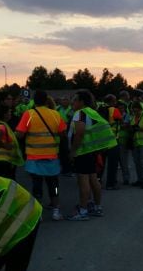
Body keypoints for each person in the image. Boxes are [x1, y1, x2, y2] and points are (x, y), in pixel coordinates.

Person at [14, 90, 66, 222]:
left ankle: (38, 214)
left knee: (37, 184)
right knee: (53, 184)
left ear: (34, 100)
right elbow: (62, 134)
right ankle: (56, 211)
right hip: (52, 157)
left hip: (34, 157)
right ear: (46, 100)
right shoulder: (55, 114)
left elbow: (20, 134)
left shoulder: (29, 114)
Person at [67, 90, 117, 220]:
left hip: (82, 151)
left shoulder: (80, 113)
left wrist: (72, 151)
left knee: (83, 182)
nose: (73, 102)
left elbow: (79, 133)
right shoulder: (92, 112)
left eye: (75, 100)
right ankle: (97, 207)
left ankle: (82, 211)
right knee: (94, 180)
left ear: (81, 102)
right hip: (91, 151)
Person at [0, 105, 24, 180]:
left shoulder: (3, 125)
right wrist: (6, 146)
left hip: (4, 160)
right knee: (8, 182)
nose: (10, 114)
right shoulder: (1, 126)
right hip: (3, 160)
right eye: (9, 112)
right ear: (4, 114)